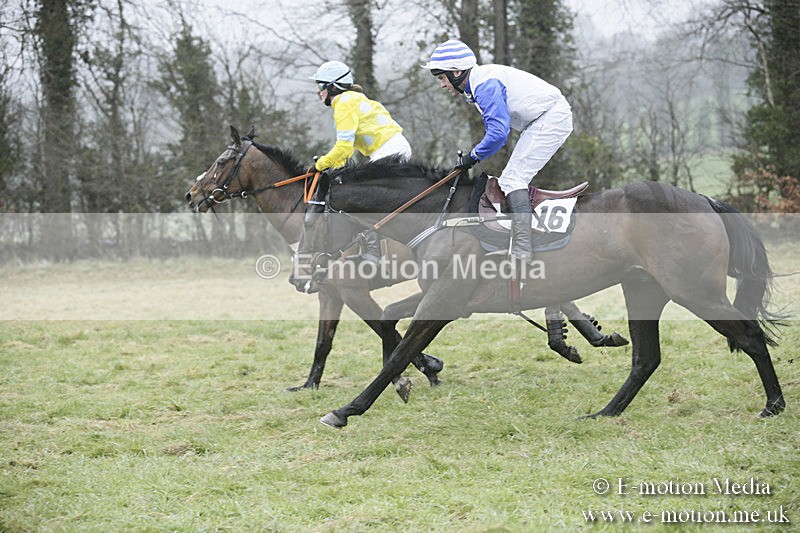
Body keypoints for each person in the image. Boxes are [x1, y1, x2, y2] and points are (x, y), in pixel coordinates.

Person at [422, 39, 573, 262]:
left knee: (513, 179)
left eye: (442, 78)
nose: (442, 85)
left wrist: (473, 157)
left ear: (457, 72)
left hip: (550, 118)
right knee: (510, 178)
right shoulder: (477, 83)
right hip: (539, 120)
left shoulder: (485, 85)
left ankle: (523, 247)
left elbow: (498, 134)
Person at [309, 60, 412, 264]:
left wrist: (319, 165)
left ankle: (373, 251)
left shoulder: (343, 104)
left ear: (332, 87)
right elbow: (347, 152)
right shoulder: (354, 98)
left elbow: (344, 148)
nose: (318, 92)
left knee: (360, 197)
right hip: (392, 148)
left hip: (388, 151)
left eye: (321, 86)